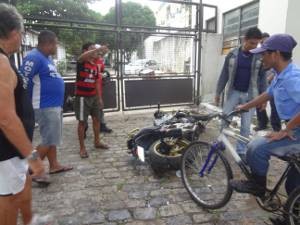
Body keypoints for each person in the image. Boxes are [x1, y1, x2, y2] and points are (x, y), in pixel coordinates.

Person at [230, 34, 300, 225]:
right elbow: (268, 94)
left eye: (264, 54)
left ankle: (258, 187)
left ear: (276, 54)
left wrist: (285, 130)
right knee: (294, 184)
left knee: (257, 147)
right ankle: (291, 218)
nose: (261, 58)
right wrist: (245, 106)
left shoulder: (292, 77)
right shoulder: (281, 74)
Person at [0, 3, 45, 225]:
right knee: (8, 201)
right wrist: (33, 156)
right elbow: (6, 118)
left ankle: (30, 220)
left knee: (23, 183)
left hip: (12, 151)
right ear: (15, 32)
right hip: (5, 150)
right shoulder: (0, 62)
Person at [20, 30, 73, 181]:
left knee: (52, 138)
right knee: (48, 139)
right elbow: (23, 80)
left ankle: (54, 165)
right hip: (43, 106)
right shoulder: (33, 57)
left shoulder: (46, 58)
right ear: (48, 43)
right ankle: (32, 171)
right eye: (56, 43)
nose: (56, 46)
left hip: (52, 105)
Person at [215, 27, 266, 159]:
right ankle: (221, 143)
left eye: (257, 44)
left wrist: (263, 99)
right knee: (225, 118)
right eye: (252, 43)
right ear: (245, 40)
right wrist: (218, 92)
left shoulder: (260, 57)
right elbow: (224, 74)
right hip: (233, 93)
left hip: (250, 96)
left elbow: (263, 79)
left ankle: (241, 151)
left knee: (245, 125)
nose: (255, 46)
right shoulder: (232, 54)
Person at [74, 42, 109, 158]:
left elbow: (96, 83)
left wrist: (99, 99)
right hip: (82, 97)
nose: (95, 51)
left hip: (93, 96)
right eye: (92, 49)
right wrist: (97, 50)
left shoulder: (95, 65)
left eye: (95, 50)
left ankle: (97, 142)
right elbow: (81, 57)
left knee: (97, 120)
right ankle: (82, 148)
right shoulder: (81, 62)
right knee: (82, 122)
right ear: (85, 51)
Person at [254, 32, 282, 132]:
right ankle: (262, 123)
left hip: (272, 83)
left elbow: (278, 69)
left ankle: (276, 128)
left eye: (265, 41)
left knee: (274, 106)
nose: (263, 43)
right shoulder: (260, 54)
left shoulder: (274, 54)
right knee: (259, 103)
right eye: (261, 42)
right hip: (262, 84)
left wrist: (271, 77)